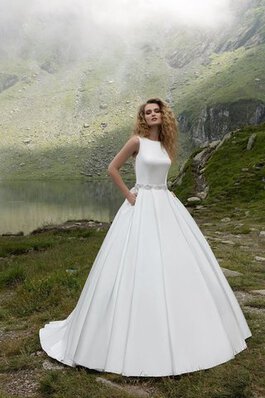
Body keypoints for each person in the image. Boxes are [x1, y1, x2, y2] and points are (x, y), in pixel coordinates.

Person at [39, 98, 252, 377]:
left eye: (156, 111)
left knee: (176, 266)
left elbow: (161, 176)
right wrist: (128, 194)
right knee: (139, 263)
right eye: (147, 112)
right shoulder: (136, 141)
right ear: (143, 117)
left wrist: (167, 191)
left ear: (163, 116)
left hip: (165, 206)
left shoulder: (165, 146)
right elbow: (112, 168)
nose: (152, 115)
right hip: (140, 205)